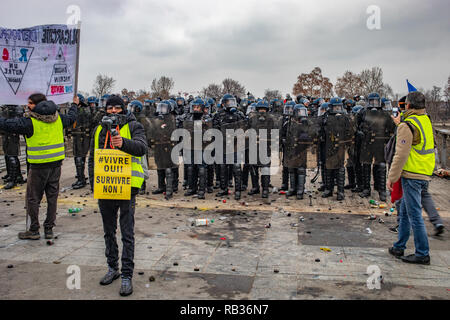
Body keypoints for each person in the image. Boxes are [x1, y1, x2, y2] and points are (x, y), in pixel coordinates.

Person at [88, 95, 147, 296]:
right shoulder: (98, 129)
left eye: (117, 108)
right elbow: (92, 156)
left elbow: (141, 148)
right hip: (105, 187)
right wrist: (93, 182)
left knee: (127, 233)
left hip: (127, 186)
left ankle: (126, 275)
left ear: (123, 109)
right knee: (108, 231)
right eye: (110, 108)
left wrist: (123, 143)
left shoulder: (133, 125)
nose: (113, 111)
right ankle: (112, 268)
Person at [0, 93, 77, 240]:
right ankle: (49, 229)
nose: (28, 106)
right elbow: (72, 118)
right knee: (52, 198)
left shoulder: (30, 122)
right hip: (56, 165)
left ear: (39, 104)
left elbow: (6, 124)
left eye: (30, 103)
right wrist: (74, 105)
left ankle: (34, 229)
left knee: (33, 198)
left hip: (38, 167)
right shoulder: (59, 118)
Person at [387, 91, 435, 265]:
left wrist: (392, 177)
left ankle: (422, 253)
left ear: (408, 105)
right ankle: (399, 245)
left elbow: (400, 155)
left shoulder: (407, 125)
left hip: (412, 174)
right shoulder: (426, 121)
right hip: (424, 172)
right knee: (406, 212)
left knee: (414, 215)